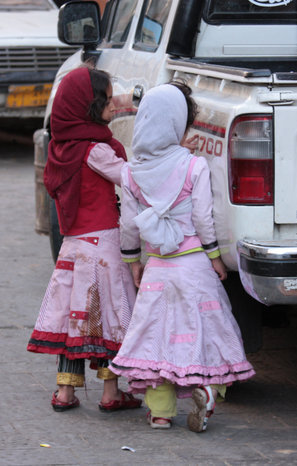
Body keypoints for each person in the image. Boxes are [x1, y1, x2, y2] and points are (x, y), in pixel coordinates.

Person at [110, 82, 255, 432]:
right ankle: (206, 388)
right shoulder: (194, 167)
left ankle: (160, 413)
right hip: (195, 267)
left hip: (157, 270)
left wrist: (133, 264)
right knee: (203, 334)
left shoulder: (130, 172)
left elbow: (128, 226)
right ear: (178, 125)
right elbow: (204, 219)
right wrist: (216, 258)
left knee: (155, 338)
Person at [27, 66, 141, 413]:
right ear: (86, 105)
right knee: (110, 316)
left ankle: (65, 393)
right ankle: (110, 393)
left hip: (74, 246)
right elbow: (129, 178)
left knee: (74, 320)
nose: (111, 104)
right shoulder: (95, 150)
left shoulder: (61, 148)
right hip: (104, 245)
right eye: (105, 99)